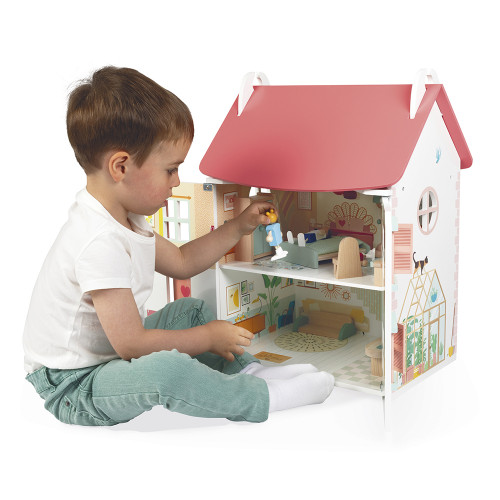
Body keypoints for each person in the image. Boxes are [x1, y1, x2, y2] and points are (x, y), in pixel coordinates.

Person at [23, 66, 335, 426]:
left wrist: (239, 226)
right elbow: (131, 345)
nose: (177, 181)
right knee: (166, 370)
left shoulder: (125, 218)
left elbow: (183, 261)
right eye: (170, 170)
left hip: (108, 357)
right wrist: (207, 338)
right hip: (75, 384)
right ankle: (261, 398)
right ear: (120, 167)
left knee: (191, 310)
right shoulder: (98, 241)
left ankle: (248, 373)